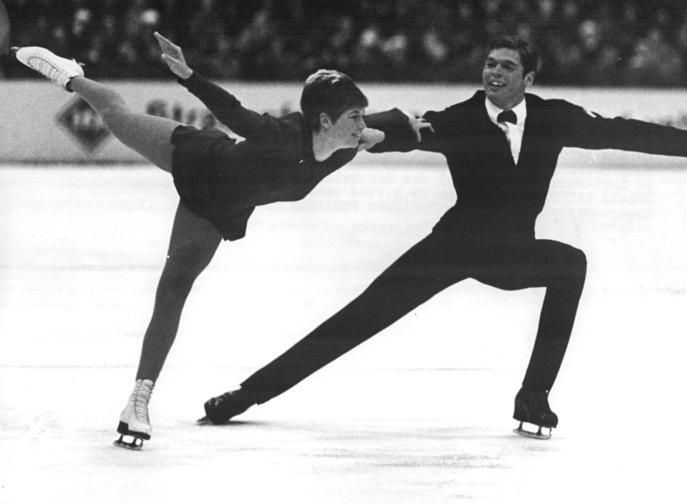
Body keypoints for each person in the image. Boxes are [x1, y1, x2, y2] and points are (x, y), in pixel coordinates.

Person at [199, 35, 687, 439]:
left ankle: (533, 397)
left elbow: (621, 132)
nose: (493, 73)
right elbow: (412, 130)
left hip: (513, 253)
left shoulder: (555, 117)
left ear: (528, 79)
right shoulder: (462, 118)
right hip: (453, 246)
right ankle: (246, 396)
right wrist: (371, 134)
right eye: (489, 64)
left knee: (571, 264)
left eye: (506, 67)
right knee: (359, 316)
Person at [13, 35, 423, 449]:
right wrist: (189, 75)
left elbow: (390, 123)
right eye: (354, 117)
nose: (361, 125)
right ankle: (72, 76)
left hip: (215, 212)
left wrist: (413, 126)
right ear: (324, 122)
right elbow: (234, 113)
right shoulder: (281, 135)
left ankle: (139, 397)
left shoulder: (347, 147)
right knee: (116, 116)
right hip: (196, 158)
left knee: (175, 288)